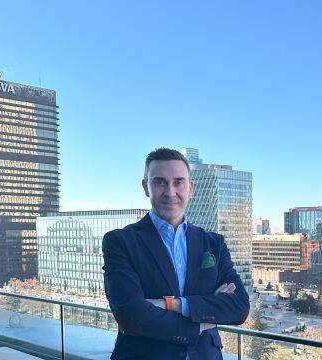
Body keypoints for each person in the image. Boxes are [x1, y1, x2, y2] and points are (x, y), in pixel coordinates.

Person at [102, 148, 249, 360]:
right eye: (159, 182)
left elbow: (239, 307)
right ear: (146, 186)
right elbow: (131, 317)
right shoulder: (120, 242)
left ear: (190, 188)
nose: (170, 192)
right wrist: (204, 319)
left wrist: (173, 304)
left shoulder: (214, 244)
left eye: (178, 182)